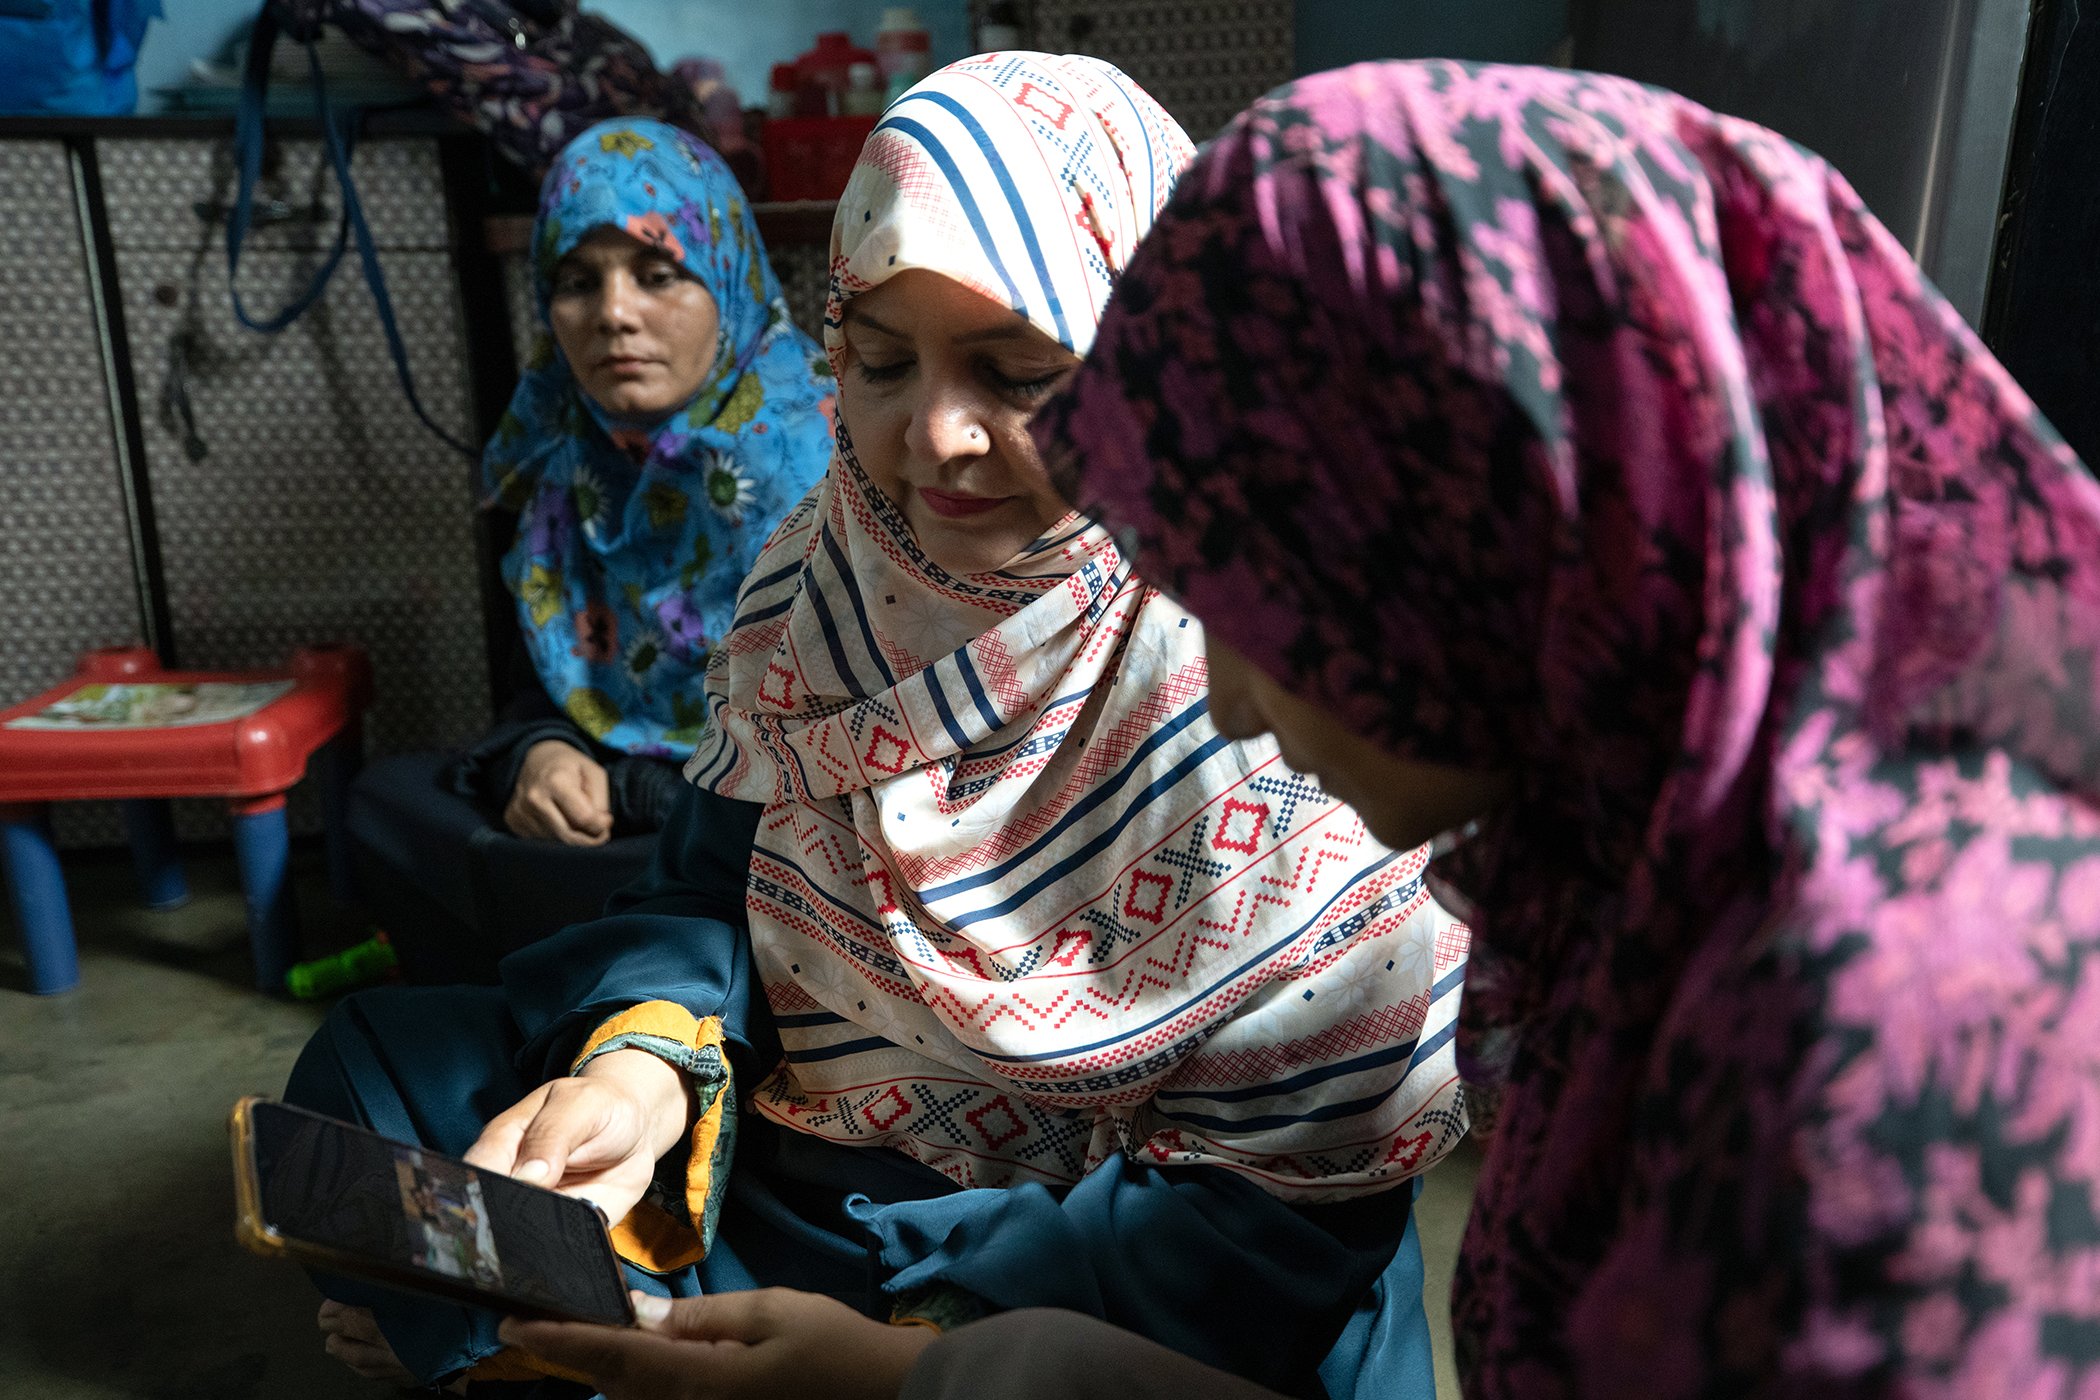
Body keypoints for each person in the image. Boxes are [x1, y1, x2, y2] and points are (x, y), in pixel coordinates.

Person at [870, 58, 2100, 1399]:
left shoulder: (1893, 1034)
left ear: (1496, 523)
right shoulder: (1630, 865)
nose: (1229, 696)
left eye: (1273, 601)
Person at [292, 53, 1470, 1400]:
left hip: (1104, 1264)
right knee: (372, 1082)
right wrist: (644, 1070)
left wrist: (893, 1369)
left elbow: (1270, 1233)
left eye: (1020, 371)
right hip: (807, 1157)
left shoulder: (1278, 671)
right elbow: (703, 885)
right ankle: (589, 1334)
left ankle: (560, 1346)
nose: (933, 441)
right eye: (879, 359)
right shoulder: (822, 571)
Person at [347, 117, 835, 976]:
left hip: (780, 840)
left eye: (658, 274)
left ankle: (627, 965)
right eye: (577, 282)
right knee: (384, 804)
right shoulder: (570, 460)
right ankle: (640, 964)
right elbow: (541, 685)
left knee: (751, 878)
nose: (613, 315)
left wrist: (649, 792)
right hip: (617, 834)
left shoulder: (828, 452)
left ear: (728, 274)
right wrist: (544, 755)